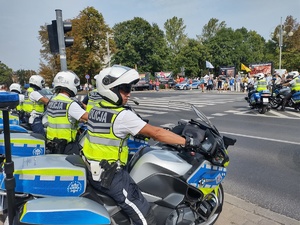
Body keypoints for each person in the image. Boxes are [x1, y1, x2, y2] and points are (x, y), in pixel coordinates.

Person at [82, 65, 199, 225]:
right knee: (146, 217)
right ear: (110, 89)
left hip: (94, 170)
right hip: (111, 177)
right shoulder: (122, 115)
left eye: (129, 88)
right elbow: (156, 133)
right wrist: (187, 141)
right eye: (124, 88)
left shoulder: (95, 109)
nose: (129, 93)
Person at [46, 70, 88, 155]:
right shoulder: (70, 104)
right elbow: (89, 118)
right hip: (67, 147)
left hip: (52, 145)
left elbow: (60, 118)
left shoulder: (52, 101)